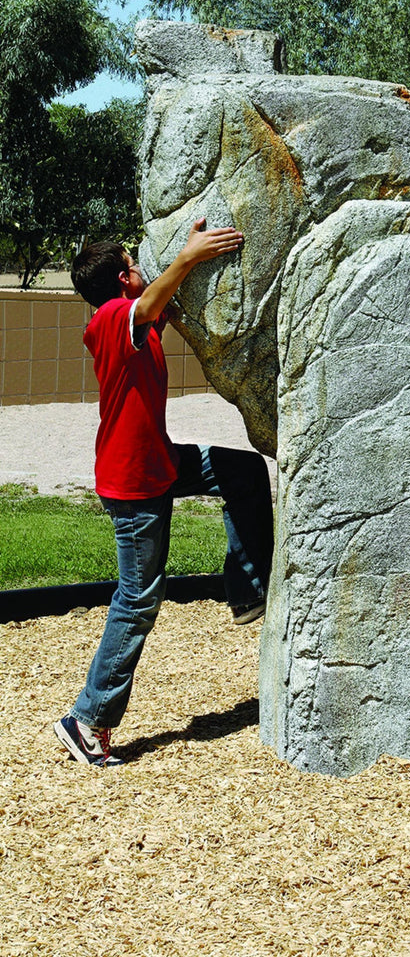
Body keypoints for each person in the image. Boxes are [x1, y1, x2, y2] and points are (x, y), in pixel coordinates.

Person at [54, 220, 275, 767]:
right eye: (135, 264)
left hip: (161, 462)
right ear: (125, 280)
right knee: (138, 598)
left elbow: (162, 306)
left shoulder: (137, 320)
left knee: (243, 473)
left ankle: (246, 589)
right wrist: (189, 254)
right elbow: (151, 305)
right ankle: (88, 719)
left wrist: (186, 251)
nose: (141, 269)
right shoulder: (111, 319)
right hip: (134, 484)